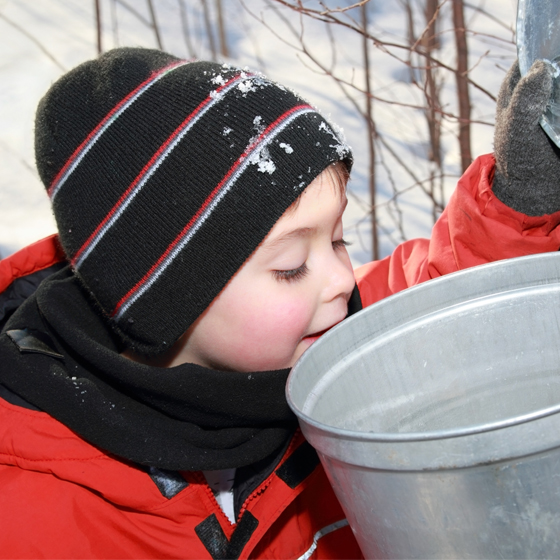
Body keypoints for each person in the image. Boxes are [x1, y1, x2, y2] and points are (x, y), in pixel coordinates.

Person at [0, 47, 559, 559]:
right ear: (163, 304)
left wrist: (519, 200)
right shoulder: (35, 524)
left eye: (338, 239)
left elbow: (434, 308)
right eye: (292, 266)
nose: (341, 278)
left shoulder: (311, 340)